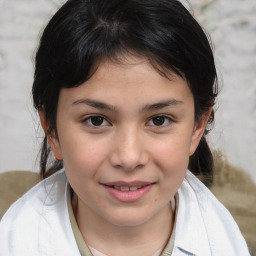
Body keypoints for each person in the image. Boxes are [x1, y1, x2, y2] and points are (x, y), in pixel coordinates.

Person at [0, 0, 250, 255]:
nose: (129, 157)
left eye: (159, 120)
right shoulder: (15, 243)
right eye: (96, 120)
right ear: (52, 130)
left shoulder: (225, 242)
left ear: (197, 126)